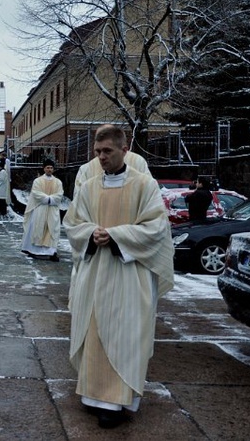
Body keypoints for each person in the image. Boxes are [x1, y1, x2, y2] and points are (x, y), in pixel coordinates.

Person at [63, 125, 174, 429]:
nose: (101, 157)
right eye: (98, 152)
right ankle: (92, 396)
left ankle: (115, 402)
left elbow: (156, 228)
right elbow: (73, 223)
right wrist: (90, 232)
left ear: (124, 150)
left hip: (129, 275)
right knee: (94, 330)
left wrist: (115, 236)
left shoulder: (144, 185)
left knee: (125, 334)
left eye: (107, 151)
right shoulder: (89, 187)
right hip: (95, 272)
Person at [73, 124, 151, 199]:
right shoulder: (87, 169)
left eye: (107, 150)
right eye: (98, 150)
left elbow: (149, 195)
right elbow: (79, 203)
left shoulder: (137, 162)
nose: (102, 157)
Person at [21, 159, 64, 261]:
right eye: (47, 167)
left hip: (52, 209)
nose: (49, 169)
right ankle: (34, 250)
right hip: (40, 208)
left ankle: (51, 252)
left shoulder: (58, 182)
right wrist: (48, 199)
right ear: (44, 168)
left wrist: (50, 199)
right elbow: (36, 193)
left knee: (52, 229)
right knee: (38, 228)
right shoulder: (38, 181)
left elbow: (60, 194)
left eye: (51, 168)